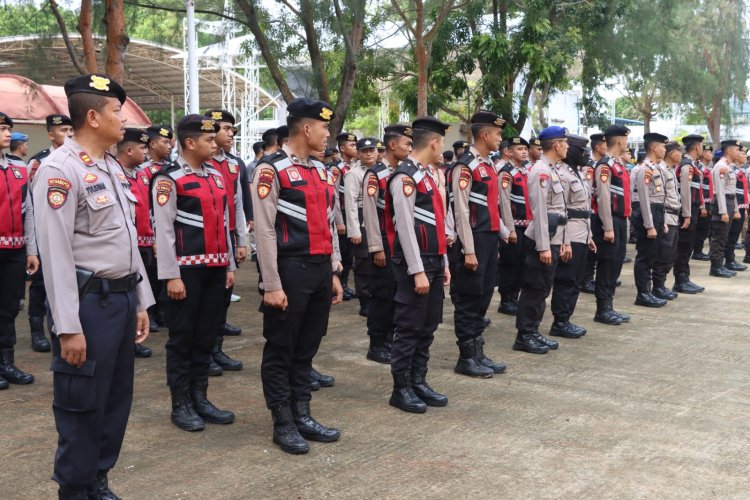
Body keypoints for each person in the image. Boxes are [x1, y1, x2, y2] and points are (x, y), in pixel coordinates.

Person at [32, 74, 154, 500]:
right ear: (91, 117)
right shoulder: (58, 170)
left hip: (120, 300)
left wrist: (140, 300)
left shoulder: (110, 167)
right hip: (88, 307)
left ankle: (98, 480)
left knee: (115, 401)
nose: (124, 120)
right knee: (81, 404)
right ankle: (75, 489)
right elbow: (56, 255)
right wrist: (68, 327)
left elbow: (125, 240)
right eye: (116, 113)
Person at [251, 97, 344, 454]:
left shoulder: (320, 170)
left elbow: (329, 225)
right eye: (323, 128)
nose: (327, 135)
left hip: (320, 270)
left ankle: (302, 413)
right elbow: (264, 231)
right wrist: (271, 284)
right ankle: (283, 421)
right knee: (281, 348)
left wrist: (334, 269)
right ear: (306, 129)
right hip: (289, 271)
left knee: (306, 348)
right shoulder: (271, 170)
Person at [151, 114, 237, 432]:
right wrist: (171, 275)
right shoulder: (168, 178)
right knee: (182, 338)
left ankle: (200, 398)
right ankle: (181, 403)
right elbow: (164, 231)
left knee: (206, 336)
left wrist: (228, 264)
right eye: (208, 140)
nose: (214, 144)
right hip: (185, 272)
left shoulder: (214, 175)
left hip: (215, 270)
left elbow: (224, 223)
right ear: (190, 142)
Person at [385, 116, 451, 413]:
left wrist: (444, 261)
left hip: (434, 259)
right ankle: (401, 388)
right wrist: (417, 270)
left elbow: (437, 223)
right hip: (416, 263)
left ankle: (418, 380)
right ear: (434, 143)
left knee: (428, 325)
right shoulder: (405, 177)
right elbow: (404, 228)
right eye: (441, 143)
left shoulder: (426, 175)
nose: (442, 150)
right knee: (410, 327)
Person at [449, 111, 508, 377]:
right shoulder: (465, 166)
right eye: (497, 134)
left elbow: (493, 205)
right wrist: (468, 250)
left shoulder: (489, 164)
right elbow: (461, 211)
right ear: (484, 135)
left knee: (483, 297)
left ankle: (479, 352)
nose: (500, 138)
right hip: (472, 240)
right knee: (468, 299)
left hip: (489, 238)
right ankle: (466, 357)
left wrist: (502, 234)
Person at [513, 126, 569, 354]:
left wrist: (561, 242)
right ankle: (524, 335)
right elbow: (540, 212)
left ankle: (533, 331)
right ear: (556, 145)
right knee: (534, 288)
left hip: (553, 238)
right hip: (541, 241)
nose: (567, 147)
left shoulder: (552, 170)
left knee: (543, 289)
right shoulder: (541, 171)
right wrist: (543, 246)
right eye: (565, 142)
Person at [362, 125, 412, 364]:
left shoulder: (402, 172)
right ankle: (377, 342)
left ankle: (390, 338)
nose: (410, 149)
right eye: (407, 144)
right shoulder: (376, 174)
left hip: (398, 242)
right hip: (382, 241)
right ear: (392, 145)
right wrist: (376, 247)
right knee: (381, 295)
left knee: (396, 293)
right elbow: (370, 214)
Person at [204, 109, 248, 374]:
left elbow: (238, 203)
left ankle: (216, 348)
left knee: (223, 297)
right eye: (225, 128)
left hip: (228, 237)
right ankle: (205, 350)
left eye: (232, 129)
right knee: (207, 302)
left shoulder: (233, 164)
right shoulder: (197, 163)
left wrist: (241, 240)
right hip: (204, 240)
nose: (231, 133)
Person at [0, 111, 38, 389]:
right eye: (2, 129)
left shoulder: (18, 167)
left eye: (8, 129)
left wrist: (32, 249)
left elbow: (30, 212)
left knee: (10, 307)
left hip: (15, 250)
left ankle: (6, 362)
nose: (7, 134)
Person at [550, 134, 596, 338]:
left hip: (583, 232)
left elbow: (585, 208)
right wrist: (564, 240)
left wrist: (590, 235)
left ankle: (567, 318)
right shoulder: (562, 174)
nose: (586, 154)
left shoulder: (578, 174)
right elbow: (562, 210)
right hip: (570, 233)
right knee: (566, 279)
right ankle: (559, 321)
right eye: (581, 150)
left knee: (577, 279)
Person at [116, 128, 156, 358]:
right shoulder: (115, 174)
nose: (146, 151)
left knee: (140, 293)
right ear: (128, 149)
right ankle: (126, 339)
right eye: (142, 148)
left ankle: (135, 335)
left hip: (144, 241)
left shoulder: (141, 174)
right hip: (125, 244)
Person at [592, 125, 632, 324]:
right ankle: (602, 309)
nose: (627, 144)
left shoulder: (617, 164)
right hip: (610, 221)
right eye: (625, 140)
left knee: (615, 264)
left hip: (620, 219)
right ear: (618, 141)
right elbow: (603, 198)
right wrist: (607, 227)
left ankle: (610, 305)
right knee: (607, 265)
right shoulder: (605, 165)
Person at [630, 132, 669, 308]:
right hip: (649, 213)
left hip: (658, 211)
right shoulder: (645, 169)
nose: (665, 150)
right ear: (653, 147)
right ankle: (643, 294)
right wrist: (649, 224)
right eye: (663, 147)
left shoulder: (657, 167)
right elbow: (644, 199)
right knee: (645, 256)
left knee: (653, 254)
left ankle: (650, 290)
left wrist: (663, 221)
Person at [497, 136, 531, 315]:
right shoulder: (506, 172)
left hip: (527, 226)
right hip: (514, 227)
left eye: (525, 149)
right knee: (510, 264)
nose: (524, 151)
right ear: (509, 152)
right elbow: (504, 203)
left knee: (522, 264)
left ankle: (515, 297)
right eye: (519, 149)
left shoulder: (525, 171)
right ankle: (506, 300)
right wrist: (510, 229)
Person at [345, 137, 378, 316]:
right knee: (364, 264)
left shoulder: (380, 170)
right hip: (361, 218)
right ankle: (365, 300)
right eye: (364, 151)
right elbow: (350, 203)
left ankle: (376, 298)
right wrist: (354, 230)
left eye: (371, 150)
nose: (369, 153)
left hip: (377, 220)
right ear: (358, 153)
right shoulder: (354, 173)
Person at [672, 134, 706, 294]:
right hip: (687, 210)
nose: (702, 149)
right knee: (684, 246)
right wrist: (686, 214)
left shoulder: (692, 165)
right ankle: (680, 280)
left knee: (688, 245)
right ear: (697, 147)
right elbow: (685, 192)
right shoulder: (687, 166)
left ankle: (685, 277)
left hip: (693, 209)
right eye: (701, 146)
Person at [652, 141, 683, 300]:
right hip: (666, 216)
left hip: (674, 216)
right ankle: (658, 286)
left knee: (671, 253)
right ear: (672, 153)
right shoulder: (661, 170)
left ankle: (661, 284)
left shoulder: (670, 170)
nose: (681, 154)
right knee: (663, 253)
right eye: (679, 151)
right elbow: (660, 197)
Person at [330, 132, 358, 300]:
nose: (355, 147)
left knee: (349, 254)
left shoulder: (355, 167)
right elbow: (333, 197)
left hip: (352, 214)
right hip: (342, 214)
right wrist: (339, 221)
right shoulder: (336, 168)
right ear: (342, 148)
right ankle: (338, 284)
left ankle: (345, 284)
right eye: (351, 145)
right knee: (342, 251)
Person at [709, 140, 742, 277]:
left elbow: (731, 190)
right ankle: (716, 267)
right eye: (736, 149)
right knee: (719, 236)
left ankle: (720, 265)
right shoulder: (721, 167)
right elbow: (720, 191)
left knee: (724, 236)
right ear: (728, 151)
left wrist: (734, 209)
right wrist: (723, 211)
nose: (738, 152)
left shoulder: (729, 166)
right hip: (721, 203)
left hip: (729, 201)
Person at [581, 133, 607, 293]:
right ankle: (587, 279)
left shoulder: (599, 164)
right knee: (591, 248)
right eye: (605, 144)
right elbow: (588, 192)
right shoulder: (590, 166)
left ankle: (591, 276)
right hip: (591, 212)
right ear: (598, 147)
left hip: (597, 211)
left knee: (596, 246)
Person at [27, 114, 75, 181]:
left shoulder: (78, 157)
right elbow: (30, 189)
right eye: (64, 130)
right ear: (51, 135)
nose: (70, 134)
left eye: (71, 130)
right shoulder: (39, 161)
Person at [724, 144, 748, 272]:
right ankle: (728, 260)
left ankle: (731, 259)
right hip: (734, 204)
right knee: (731, 233)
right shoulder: (730, 169)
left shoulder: (740, 170)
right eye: (741, 153)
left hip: (741, 204)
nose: (744, 155)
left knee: (735, 233)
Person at [693, 144, 714, 260]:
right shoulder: (698, 168)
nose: (710, 154)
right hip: (703, 202)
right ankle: (697, 252)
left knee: (705, 228)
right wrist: (702, 206)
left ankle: (698, 250)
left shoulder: (708, 168)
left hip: (709, 202)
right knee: (701, 228)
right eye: (708, 152)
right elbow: (699, 187)